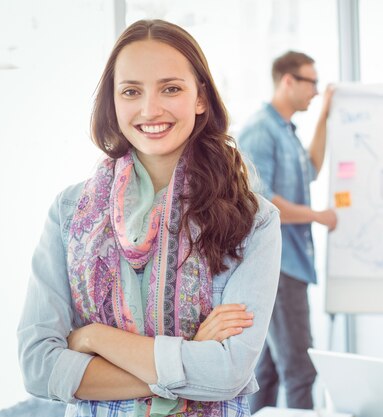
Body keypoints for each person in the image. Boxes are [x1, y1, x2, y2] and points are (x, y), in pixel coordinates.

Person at [17, 19, 281, 417]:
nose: (149, 109)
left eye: (171, 88)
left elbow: (228, 372)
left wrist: (93, 338)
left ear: (201, 98)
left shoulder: (253, 220)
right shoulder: (69, 212)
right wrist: (189, 359)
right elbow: (38, 366)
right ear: (114, 102)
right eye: (131, 91)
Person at [237, 50, 337, 412]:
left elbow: (310, 169)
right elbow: (259, 201)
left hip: (290, 263)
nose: (315, 89)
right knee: (299, 369)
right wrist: (316, 215)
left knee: (267, 368)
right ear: (288, 81)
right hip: (278, 267)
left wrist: (324, 115)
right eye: (311, 82)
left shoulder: (286, 131)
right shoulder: (260, 131)